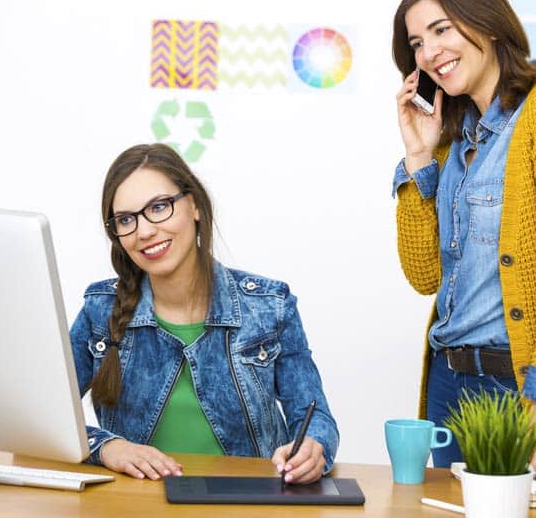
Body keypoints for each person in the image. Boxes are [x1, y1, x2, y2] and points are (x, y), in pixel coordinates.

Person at [390, 0, 536, 475]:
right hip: (448, 382)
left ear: (486, 21)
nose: (430, 52)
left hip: (519, 384)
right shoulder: (449, 140)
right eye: (417, 43)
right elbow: (424, 275)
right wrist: (418, 158)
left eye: (441, 29)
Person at [69, 143, 339, 484]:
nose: (145, 231)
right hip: (136, 502)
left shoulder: (269, 306)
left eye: (159, 207)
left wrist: (313, 448)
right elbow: (45, 419)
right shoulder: (100, 310)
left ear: (194, 204)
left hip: (247, 502)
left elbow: (315, 418)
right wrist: (107, 447)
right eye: (126, 219)